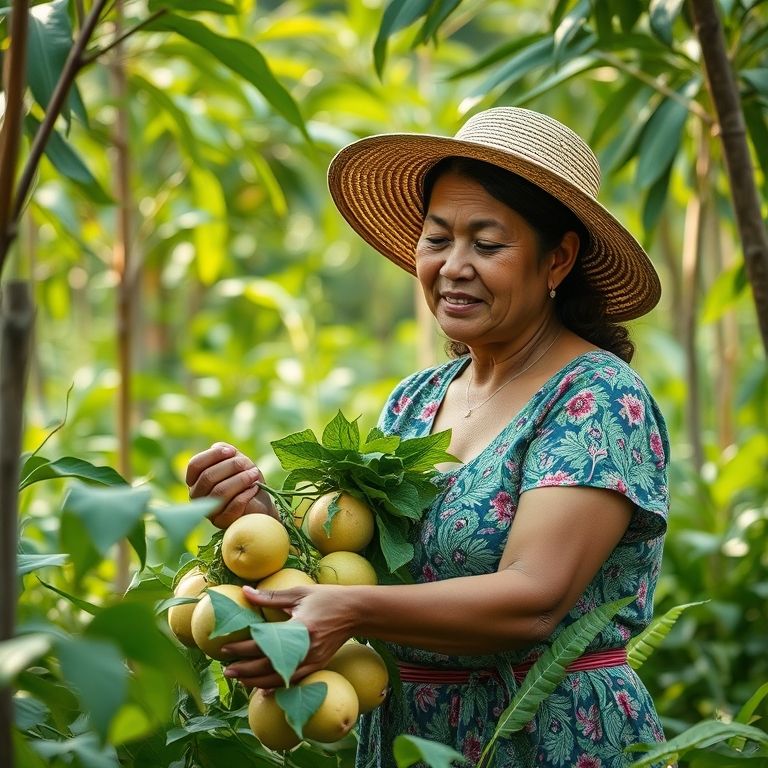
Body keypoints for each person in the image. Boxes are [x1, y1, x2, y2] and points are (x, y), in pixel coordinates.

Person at [185, 107, 671, 767]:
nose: (453, 266)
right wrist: (261, 521)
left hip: (545, 735)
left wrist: (349, 609)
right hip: (410, 735)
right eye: (437, 238)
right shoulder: (415, 401)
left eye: (487, 245)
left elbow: (533, 599)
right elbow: (363, 566)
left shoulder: (598, 399)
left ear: (557, 259)